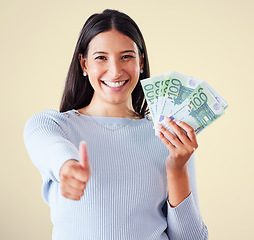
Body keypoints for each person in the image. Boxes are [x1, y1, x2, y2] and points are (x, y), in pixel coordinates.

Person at [24, 9, 208, 240]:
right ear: (84, 64)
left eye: (126, 57)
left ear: (140, 61)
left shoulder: (168, 137)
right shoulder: (55, 125)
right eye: (101, 57)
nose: (115, 70)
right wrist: (68, 167)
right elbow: (48, 146)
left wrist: (177, 169)